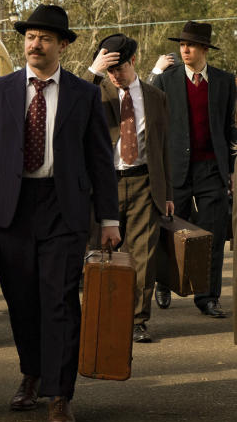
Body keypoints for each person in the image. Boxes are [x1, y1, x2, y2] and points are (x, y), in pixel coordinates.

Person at [0, 4, 120, 422]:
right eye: (30, 37)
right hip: (11, 207)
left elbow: (101, 161)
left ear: (63, 46)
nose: (35, 44)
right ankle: (31, 373)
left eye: (45, 38)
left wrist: (109, 219)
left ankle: (59, 396)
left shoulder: (84, 94)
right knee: (23, 300)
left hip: (63, 206)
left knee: (60, 301)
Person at [85, 34, 174, 343]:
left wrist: (169, 194)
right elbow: (70, 105)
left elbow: (164, 148)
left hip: (144, 184)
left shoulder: (154, 96)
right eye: (109, 69)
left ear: (133, 61)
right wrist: (93, 73)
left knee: (142, 258)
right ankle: (98, 316)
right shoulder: (94, 92)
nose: (114, 75)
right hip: (104, 184)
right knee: (98, 254)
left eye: (119, 68)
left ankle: (137, 320)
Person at [150, 21, 237, 318]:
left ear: (203, 49)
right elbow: (151, 122)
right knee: (170, 232)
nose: (184, 49)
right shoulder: (167, 80)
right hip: (176, 170)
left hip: (212, 170)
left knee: (211, 235)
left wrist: (232, 169)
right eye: (182, 45)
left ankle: (208, 298)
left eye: (190, 45)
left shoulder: (225, 81)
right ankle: (163, 283)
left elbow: (229, 128)